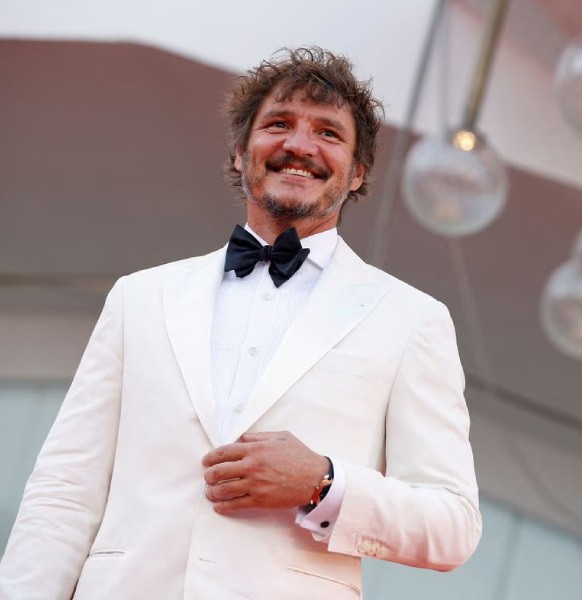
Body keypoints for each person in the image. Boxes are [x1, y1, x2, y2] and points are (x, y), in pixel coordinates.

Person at [0, 46, 481, 600]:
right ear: (239, 154)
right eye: (279, 124)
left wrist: (322, 482)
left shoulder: (412, 320)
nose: (299, 145)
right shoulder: (139, 297)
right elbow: (64, 492)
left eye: (328, 133)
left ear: (357, 174)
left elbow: (452, 527)